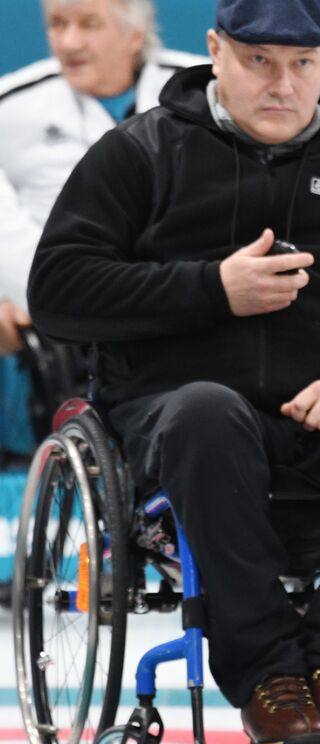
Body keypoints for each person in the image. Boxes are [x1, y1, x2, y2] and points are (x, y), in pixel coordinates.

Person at [27, 0, 320, 744]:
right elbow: (59, 290)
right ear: (216, 51)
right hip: (177, 415)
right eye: (260, 61)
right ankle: (267, 679)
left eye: (304, 65)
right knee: (206, 411)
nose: (283, 84)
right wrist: (211, 290)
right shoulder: (142, 152)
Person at [0, 0, 202, 454]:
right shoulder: (11, 105)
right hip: (68, 324)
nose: (68, 42)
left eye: (89, 24)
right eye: (56, 24)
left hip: (189, 308)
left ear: (135, 33)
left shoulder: (205, 89)